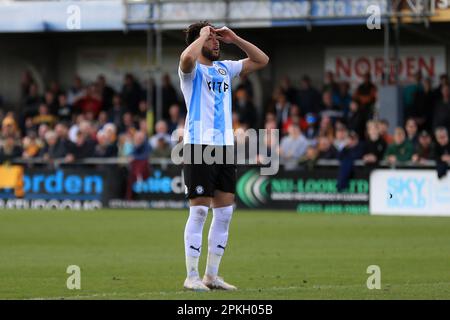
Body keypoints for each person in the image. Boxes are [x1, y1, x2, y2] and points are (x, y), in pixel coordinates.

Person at [179, 21, 268, 291]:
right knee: (199, 211)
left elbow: (261, 60)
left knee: (225, 212)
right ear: (198, 40)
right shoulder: (191, 71)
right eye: (211, 38)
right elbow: (185, 58)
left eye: (217, 38)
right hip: (199, 146)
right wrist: (202, 35)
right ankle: (191, 276)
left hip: (225, 148)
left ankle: (211, 275)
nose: (216, 42)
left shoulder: (224, 68)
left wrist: (235, 38)